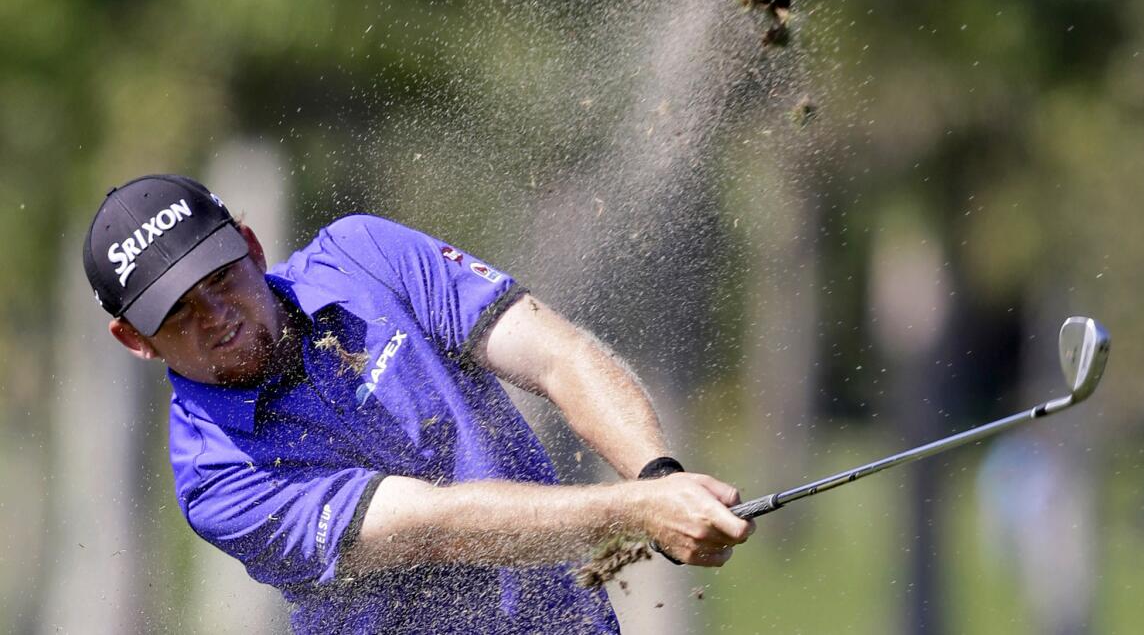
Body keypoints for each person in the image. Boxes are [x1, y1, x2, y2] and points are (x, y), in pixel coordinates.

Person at [83, 174, 753, 633]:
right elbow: (440, 526)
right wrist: (633, 513)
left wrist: (658, 477)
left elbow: (557, 356)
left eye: (221, 279)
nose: (216, 317)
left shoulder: (364, 254)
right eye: (177, 313)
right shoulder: (216, 479)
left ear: (252, 249)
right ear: (134, 340)